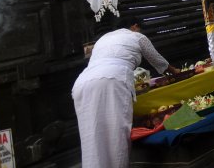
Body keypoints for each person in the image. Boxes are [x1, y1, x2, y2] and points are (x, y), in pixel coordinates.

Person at [72, 16, 179, 168]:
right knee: (117, 134)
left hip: (83, 83)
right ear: (135, 26)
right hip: (112, 80)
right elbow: (157, 59)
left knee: (92, 136)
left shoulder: (104, 38)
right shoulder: (137, 36)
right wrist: (174, 70)